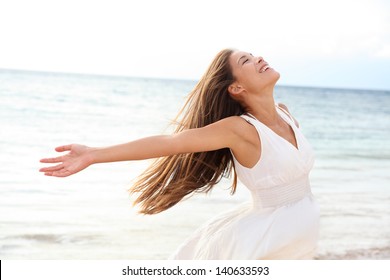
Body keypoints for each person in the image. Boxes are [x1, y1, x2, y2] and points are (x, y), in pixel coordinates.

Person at [39, 49, 320, 259]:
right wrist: (93, 154)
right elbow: (170, 142)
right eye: (246, 61)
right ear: (236, 87)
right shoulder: (240, 129)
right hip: (267, 239)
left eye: (254, 55)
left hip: (299, 235)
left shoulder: (285, 113)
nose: (258, 58)